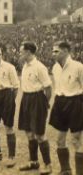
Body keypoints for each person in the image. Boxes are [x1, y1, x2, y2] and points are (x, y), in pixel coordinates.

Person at [18, 41, 52, 174]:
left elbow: (48, 88)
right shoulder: (25, 66)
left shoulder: (40, 67)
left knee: (39, 134)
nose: (20, 53)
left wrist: (44, 103)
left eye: (21, 51)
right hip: (26, 99)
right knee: (29, 132)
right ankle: (34, 162)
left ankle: (48, 165)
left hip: (37, 99)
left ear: (28, 52)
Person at [49, 41, 83, 175]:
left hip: (75, 102)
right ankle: (66, 170)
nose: (53, 54)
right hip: (60, 102)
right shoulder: (55, 68)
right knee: (60, 139)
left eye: (56, 51)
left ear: (66, 51)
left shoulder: (78, 67)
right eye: (53, 51)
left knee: (76, 139)